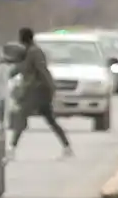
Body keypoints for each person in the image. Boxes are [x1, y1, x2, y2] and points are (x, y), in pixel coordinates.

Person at [8, 27, 73, 159]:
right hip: (38, 91)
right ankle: (67, 147)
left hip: (37, 91)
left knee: (21, 117)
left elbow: (41, 70)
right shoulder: (28, 52)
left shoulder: (34, 52)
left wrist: (51, 87)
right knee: (50, 121)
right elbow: (19, 68)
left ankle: (12, 149)